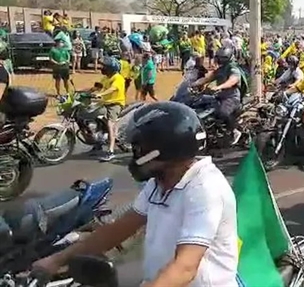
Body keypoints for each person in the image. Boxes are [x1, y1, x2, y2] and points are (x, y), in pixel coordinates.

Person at [33, 102, 239, 286]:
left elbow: (185, 267)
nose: (135, 156)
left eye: (139, 148)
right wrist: (56, 260)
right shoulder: (161, 182)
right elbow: (117, 230)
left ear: (164, 151)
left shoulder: (205, 189)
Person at [191, 47, 245, 145]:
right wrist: (192, 84)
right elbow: (206, 79)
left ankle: (234, 131)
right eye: (218, 57)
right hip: (219, 96)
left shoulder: (233, 68)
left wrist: (219, 87)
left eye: (221, 58)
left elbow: (233, 80)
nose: (218, 60)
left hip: (231, 97)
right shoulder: (221, 69)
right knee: (200, 103)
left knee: (222, 112)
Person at [87, 56, 126, 161]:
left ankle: (111, 151)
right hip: (104, 103)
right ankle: (98, 144)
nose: (102, 68)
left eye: (104, 66)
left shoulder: (118, 78)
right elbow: (97, 87)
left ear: (111, 68)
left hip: (115, 104)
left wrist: (101, 94)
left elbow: (113, 89)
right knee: (91, 114)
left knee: (110, 124)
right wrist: (84, 93)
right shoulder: (106, 78)